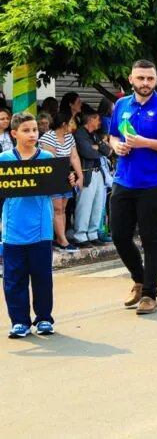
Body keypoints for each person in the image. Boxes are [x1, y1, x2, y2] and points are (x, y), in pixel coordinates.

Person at [109, 60, 157, 315]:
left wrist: (145, 142)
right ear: (131, 79)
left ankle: (150, 295)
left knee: (150, 238)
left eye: (150, 79)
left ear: (156, 80)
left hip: (154, 182)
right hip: (123, 180)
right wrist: (116, 146)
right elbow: (113, 135)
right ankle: (139, 280)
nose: (145, 83)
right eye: (140, 78)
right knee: (119, 235)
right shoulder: (121, 105)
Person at [2, 112, 77, 338]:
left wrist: (69, 179)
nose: (32, 134)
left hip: (42, 228)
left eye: (35, 129)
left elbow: (61, 183)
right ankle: (19, 322)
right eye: (26, 130)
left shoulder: (47, 158)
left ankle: (44, 318)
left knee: (42, 277)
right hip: (13, 228)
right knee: (14, 279)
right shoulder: (4, 160)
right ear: (14, 134)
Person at [39, 112, 84, 253]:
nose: (73, 125)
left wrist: (80, 176)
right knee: (57, 208)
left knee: (62, 209)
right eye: (70, 122)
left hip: (65, 175)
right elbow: (53, 162)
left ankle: (60, 238)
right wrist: (67, 174)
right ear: (63, 124)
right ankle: (62, 241)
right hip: (52, 176)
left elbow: (74, 156)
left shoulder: (69, 137)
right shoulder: (48, 137)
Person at [73, 110, 112, 247]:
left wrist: (98, 147)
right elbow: (88, 153)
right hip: (86, 173)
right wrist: (99, 148)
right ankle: (80, 235)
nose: (99, 122)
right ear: (90, 120)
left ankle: (93, 233)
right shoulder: (79, 134)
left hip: (98, 173)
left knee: (97, 205)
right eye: (97, 119)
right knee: (85, 205)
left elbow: (108, 151)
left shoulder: (94, 135)